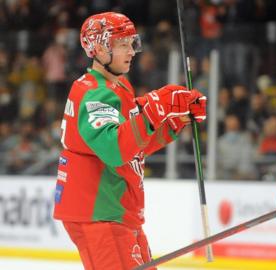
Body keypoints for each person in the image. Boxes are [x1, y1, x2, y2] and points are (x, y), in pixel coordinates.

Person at [53, 12, 206, 270]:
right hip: (100, 213)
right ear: (99, 48)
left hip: (118, 211)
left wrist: (173, 121)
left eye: (132, 43)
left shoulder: (118, 88)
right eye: (123, 44)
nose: (132, 51)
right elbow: (114, 149)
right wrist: (153, 110)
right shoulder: (94, 93)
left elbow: (135, 145)